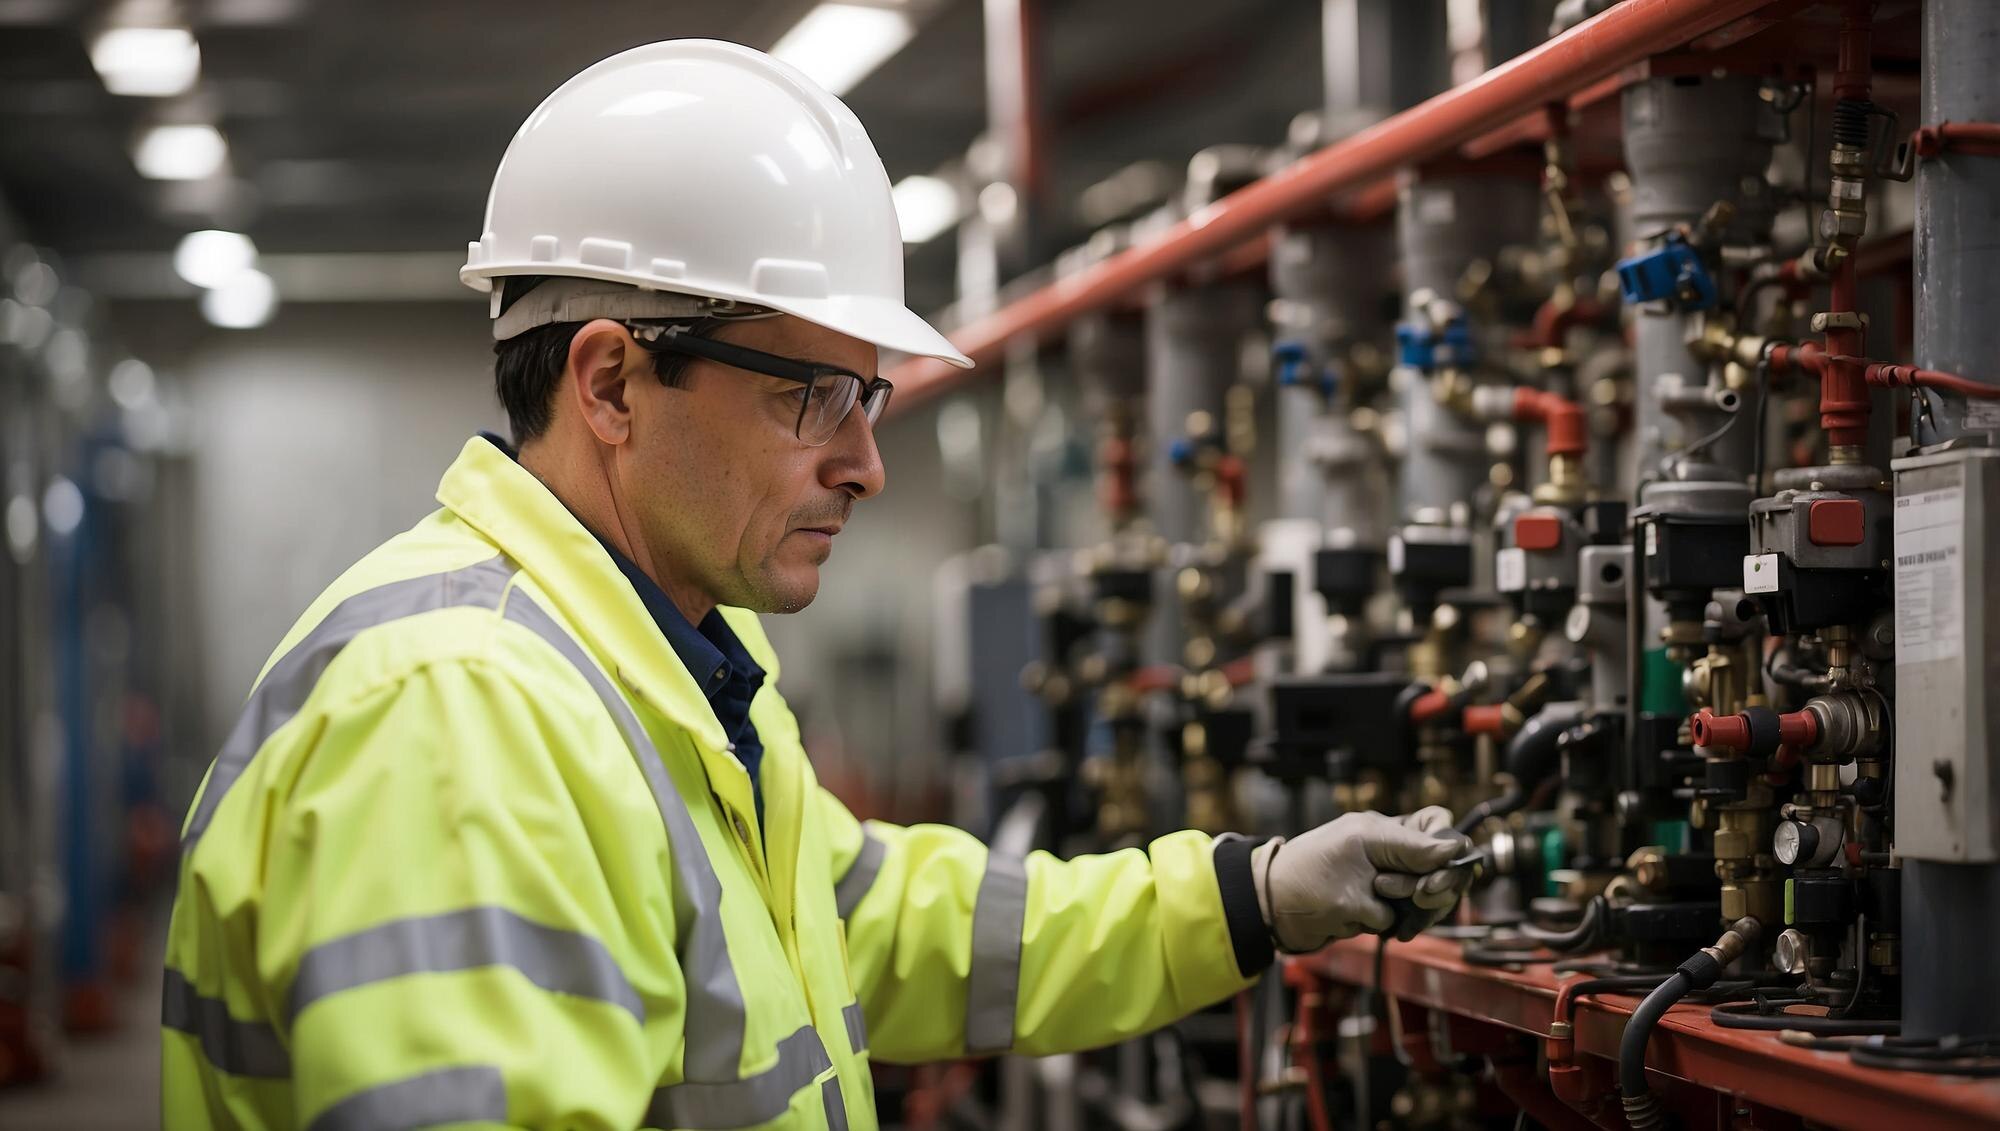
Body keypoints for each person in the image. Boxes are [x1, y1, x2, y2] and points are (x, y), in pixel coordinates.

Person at [160, 39, 1473, 1130]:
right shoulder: (463, 717)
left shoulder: (662, 663)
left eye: (872, 399)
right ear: (611, 382)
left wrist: (1255, 893)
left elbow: (874, 926)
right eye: (815, 399)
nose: (866, 465)